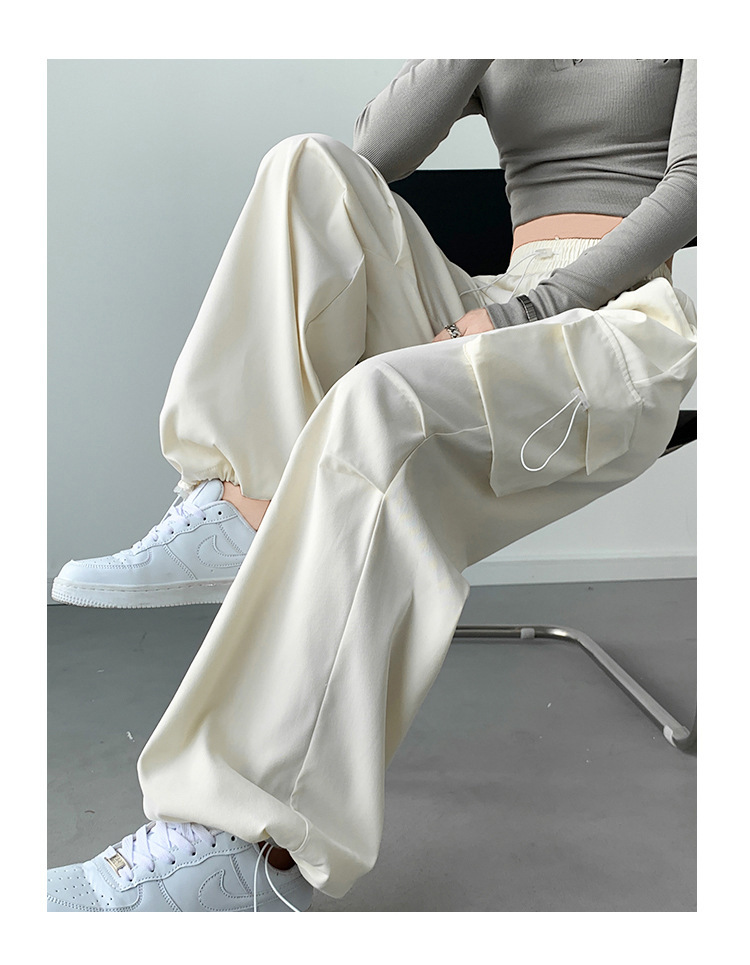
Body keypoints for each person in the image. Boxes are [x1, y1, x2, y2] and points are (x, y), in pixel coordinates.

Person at [47, 59, 697, 912]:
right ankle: (244, 496)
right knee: (303, 164)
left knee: (373, 401)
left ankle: (244, 848)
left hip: (614, 319)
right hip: (492, 295)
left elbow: (701, 182)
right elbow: (372, 152)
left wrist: (530, 311)